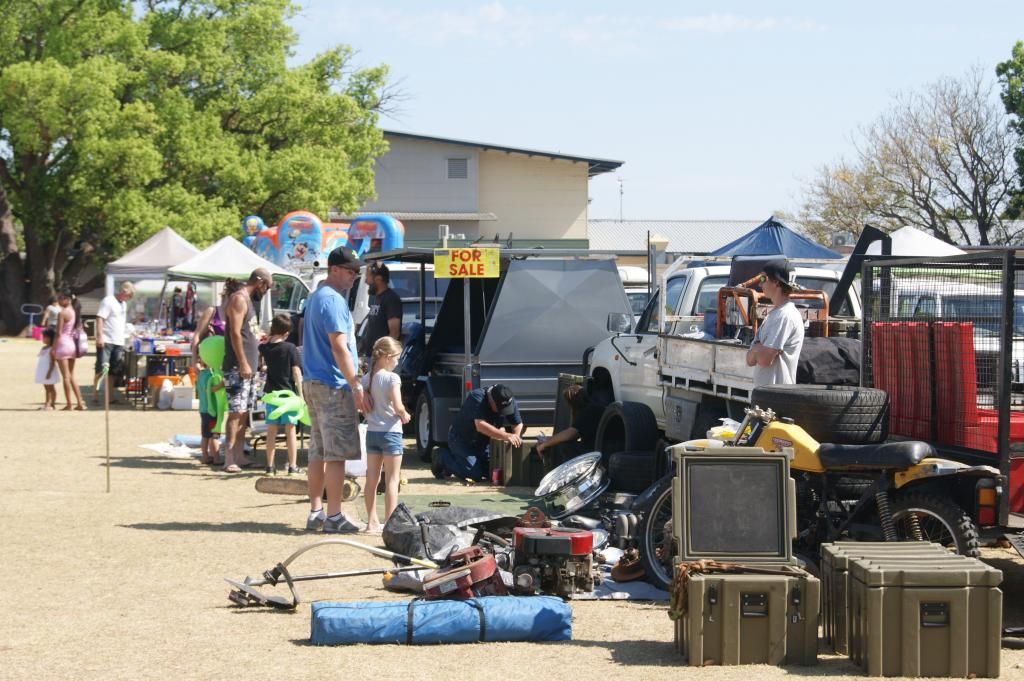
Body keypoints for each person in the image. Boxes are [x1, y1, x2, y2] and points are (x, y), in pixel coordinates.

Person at [301, 247, 367, 533]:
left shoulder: (315, 297)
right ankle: (334, 516)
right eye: (351, 271)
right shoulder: (334, 301)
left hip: (313, 382)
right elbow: (339, 346)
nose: (355, 277)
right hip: (333, 384)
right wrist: (355, 384)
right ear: (335, 269)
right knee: (336, 455)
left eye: (357, 272)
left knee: (318, 450)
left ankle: (316, 511)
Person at [222, 269, 272, 473]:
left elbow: (245, 332)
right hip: (237, 366)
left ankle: (240, 455)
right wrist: (243, 362)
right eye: (267, 287)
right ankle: (228, 458)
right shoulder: (239, 299)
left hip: (249, 367)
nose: (266, 291)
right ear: (259, 282)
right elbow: (234, 333)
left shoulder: (248, 300)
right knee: (236, 412)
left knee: (245, 412)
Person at [361, 336, 411, 534]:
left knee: (371, 479)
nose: (398, 362)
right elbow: (398, 406)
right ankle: (390, 523)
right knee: (392, 479)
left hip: (372, 432)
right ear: (388, 357)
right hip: (390, 433)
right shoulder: (392, 378)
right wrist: (405, 414)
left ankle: (371, 522)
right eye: (397, 358)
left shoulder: (367, 378)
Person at [436, 384, 523, 482]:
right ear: (491, 400)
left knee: (492, 472)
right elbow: (480, 426)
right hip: (461, 440)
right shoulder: (476, 397)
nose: (502, 412)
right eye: (499, 408)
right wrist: (506, 435)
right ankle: (441, 456)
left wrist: (516, 436)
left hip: (483, 443)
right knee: (474, 474)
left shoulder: (507, 400)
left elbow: (517, 423)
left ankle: (455, 463)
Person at [745, 259, 805, 387]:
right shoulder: (775, 314)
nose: (760, 284)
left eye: (763, 279)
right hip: (767, 395)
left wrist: (757, 349)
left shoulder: (785, 315)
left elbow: (764, 360)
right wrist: (757, 350)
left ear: (776, 282)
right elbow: (749, 360)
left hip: (777, 397)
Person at [259, 313, 303, 475]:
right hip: (289, 395)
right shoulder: (290, 348)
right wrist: (301, 395)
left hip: (271, 394)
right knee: (290, 431)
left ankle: (270, 466)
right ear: (286, 332)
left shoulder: (264, 348)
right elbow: (296, 372)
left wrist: (269, 336)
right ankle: (292, 466)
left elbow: (263, 345)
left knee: (271, 431)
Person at [534, 384, 604, 462]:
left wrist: (544, 444)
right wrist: (547, 440)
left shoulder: (588, 411)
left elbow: (570, 434)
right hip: (600, 447)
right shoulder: (593, 407)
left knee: (565, 446)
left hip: (600, 450)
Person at [92, 282, 135, 405]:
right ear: (123, 292)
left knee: (113, 371)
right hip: (107, 340)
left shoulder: (124, 304)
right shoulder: (108, 301)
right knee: (101, 369)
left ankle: (109, 396)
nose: (130, 298)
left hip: (118, 341)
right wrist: (99, 336)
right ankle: (95, 394)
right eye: (129, 295)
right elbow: (100, 318)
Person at [358, 263, 402, 364]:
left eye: (368, 277)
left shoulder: (391, 299)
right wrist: (363, 345)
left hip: (383, 360)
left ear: (378, 279)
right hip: (372, 358)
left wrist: (384, 359)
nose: (365, 281)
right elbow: (373, 327)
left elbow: (394, 333)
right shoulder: (376, 298)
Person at [52, 289, 87, 411]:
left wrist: (53, 348)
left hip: (62, 344)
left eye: (61, 298)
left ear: (67, 299)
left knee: (65, 377)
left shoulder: (62, 313)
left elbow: (58, 333)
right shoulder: (75, 312)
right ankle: (80, 402)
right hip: (72, 345)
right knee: (72, 376)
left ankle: (69, 404)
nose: (59, 300)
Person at [195, 360, 222, 466]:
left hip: (203, 409)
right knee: (214, 435)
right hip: (211, 410)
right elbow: (209, 389)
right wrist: (222, 385)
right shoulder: (210, 375)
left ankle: (205, 456)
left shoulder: (201, 374)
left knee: (205, 435)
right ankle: (216, 458)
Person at [35, 328, 58, 410]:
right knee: (46, 388)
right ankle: (47, 403)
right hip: (43, 371)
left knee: (51, 388)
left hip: (49, 372)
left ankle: (52, 404)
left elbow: (52, 362)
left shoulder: (51, 349)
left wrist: (49, 372)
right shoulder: (43, 348)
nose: (43, 338)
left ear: (50, 338)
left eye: (45, 337)